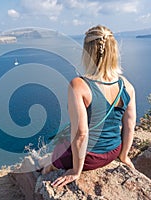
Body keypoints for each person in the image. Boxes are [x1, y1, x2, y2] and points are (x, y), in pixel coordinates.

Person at [42, 25, 136, 188]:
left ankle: (46, 170)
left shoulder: (79, 85)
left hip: (88, 157)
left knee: (46, 166)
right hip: (113, 151)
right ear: (114, 52)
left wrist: (76, 171)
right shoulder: (126, 85)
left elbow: (81, 133)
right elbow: (129, 125)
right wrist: (124, 156)